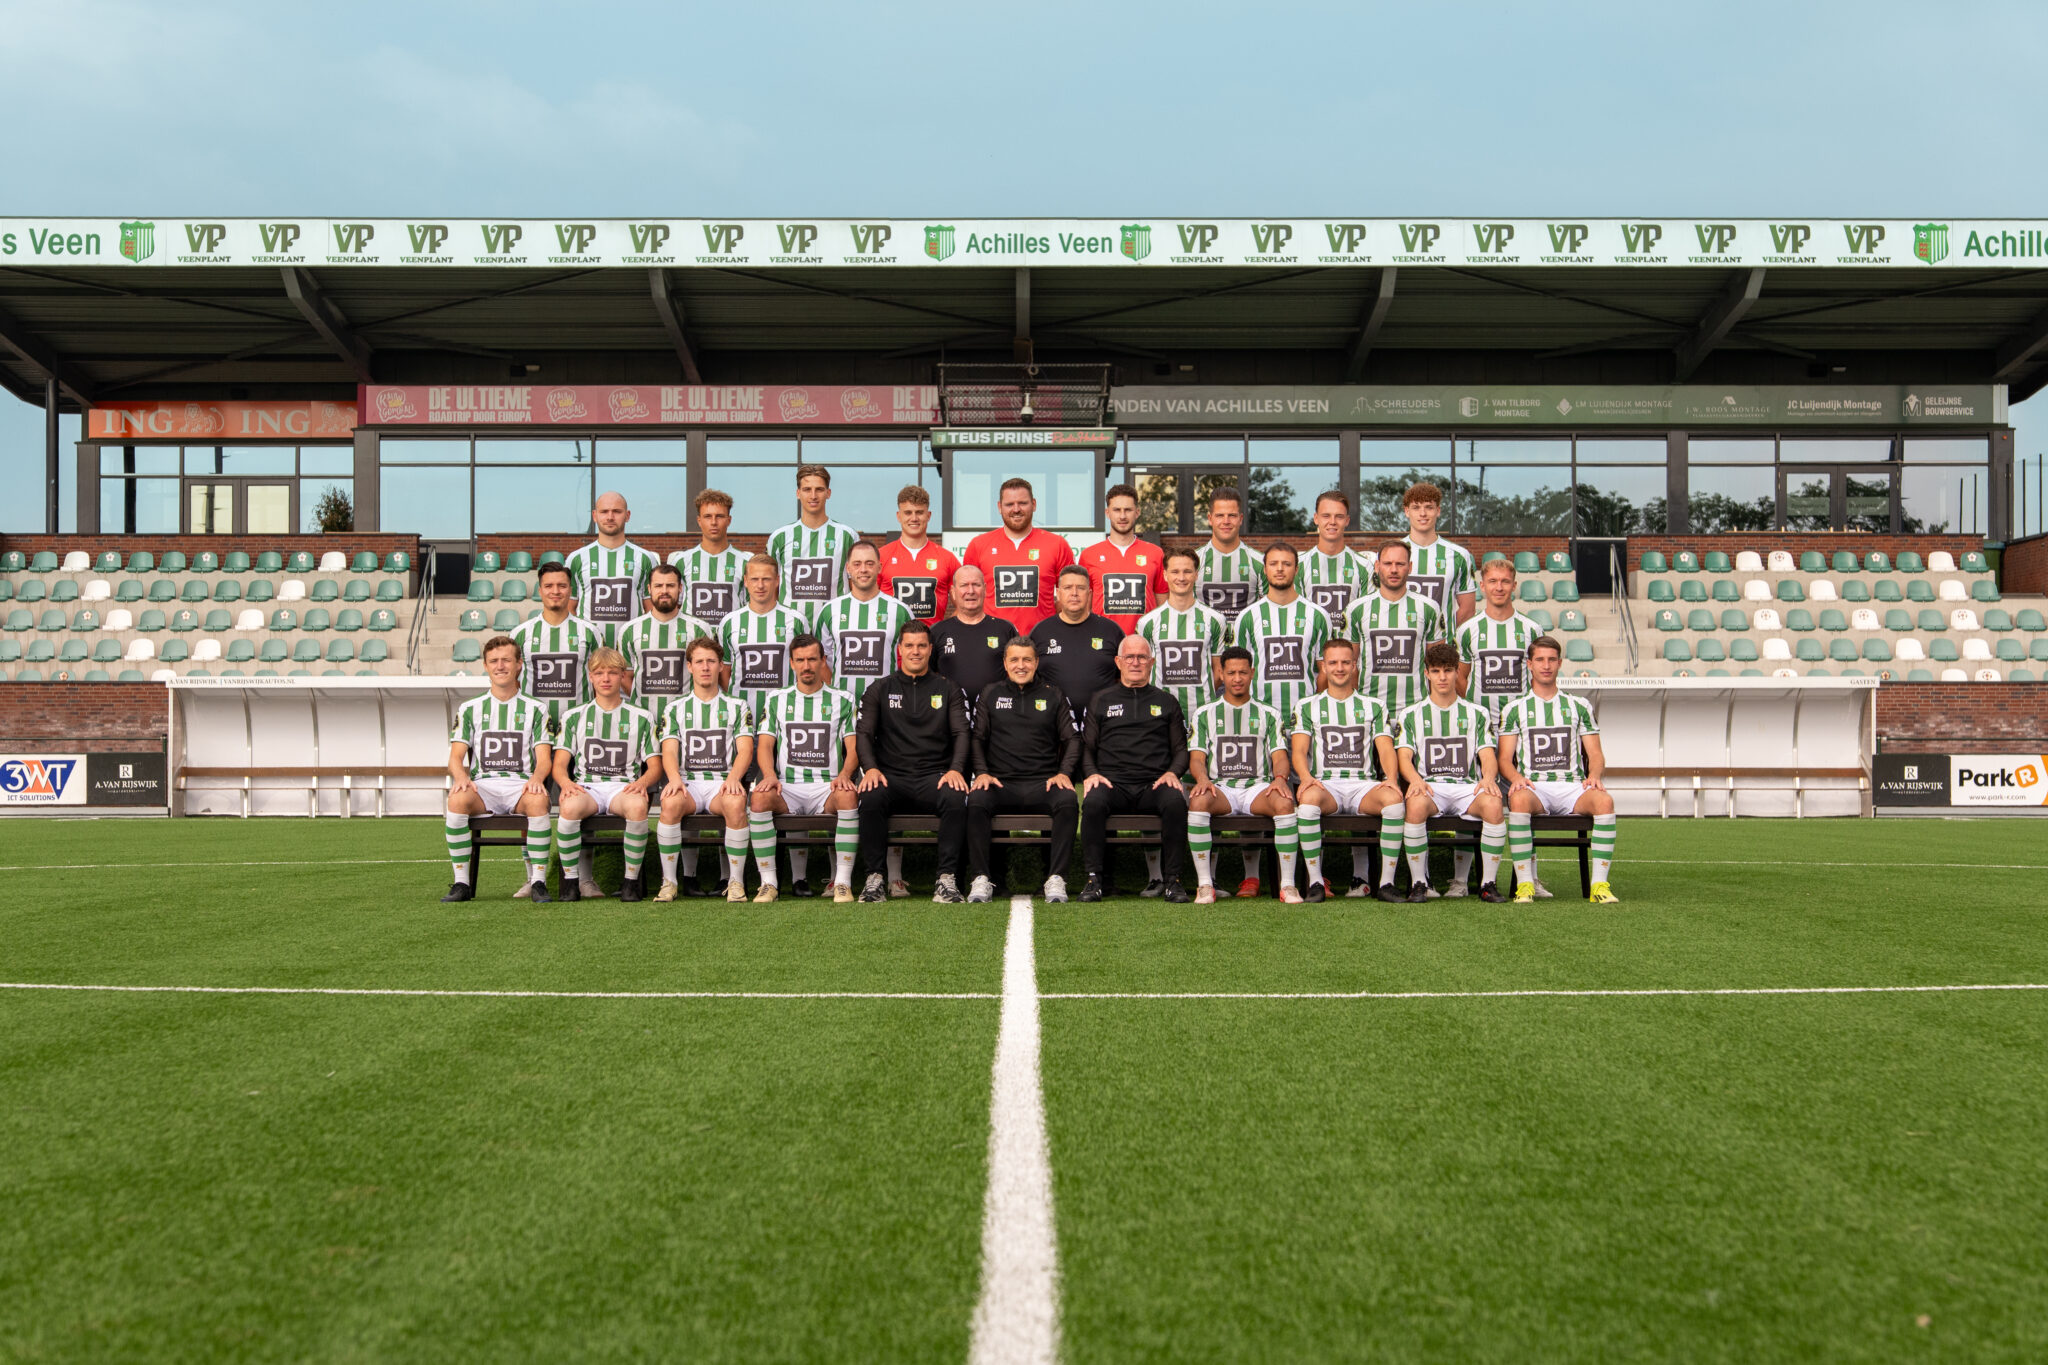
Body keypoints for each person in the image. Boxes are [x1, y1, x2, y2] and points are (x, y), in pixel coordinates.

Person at [854, 621, 971, 903]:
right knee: (870, 795)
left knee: (955, 796)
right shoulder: (879, 688)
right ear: (900, 649)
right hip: (891, 776)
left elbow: (961, 733)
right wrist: (871, 769)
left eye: (921, 646)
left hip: (934, 776)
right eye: (909, 645)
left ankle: (946, 879)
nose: (915, 651)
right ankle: (874, 879)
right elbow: (864, 733)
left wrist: (955, 770)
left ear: (930, 649)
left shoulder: (949, 689)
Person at [1498, 636, 1619, 904]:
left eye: (1552, 659)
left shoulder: (1579, 705)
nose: (1546, 665)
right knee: (1518, 799)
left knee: (1605, 801)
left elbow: (1595, 754)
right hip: (1535, 787)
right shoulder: (1515, 708)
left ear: (1560, 663)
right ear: (1529, 664)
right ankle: (1525, 885)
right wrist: (1517, 778)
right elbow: (1504, 759)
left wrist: (1594, 776)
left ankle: (1599, 886)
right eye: (1540, 659)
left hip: (1573, 787)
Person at [1451, 556, 1543, 896]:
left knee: (1523, 800)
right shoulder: (1468, 630)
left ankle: (1530, 878)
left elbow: (1537, 676)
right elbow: (1461, 677)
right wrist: (1475, 715)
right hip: (1481, 732)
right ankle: (1461, 880)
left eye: (1505, 581)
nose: (1499, 587)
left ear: (1514, 585)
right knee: (1470, 801)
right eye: (1493, 581)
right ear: (1482, 586)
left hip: (1520, 733)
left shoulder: (1531, 629)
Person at [965, 637, 1080, 904]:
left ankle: (1056, 878)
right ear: (1005, 663)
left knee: (1067, 799)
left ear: (1036, 662)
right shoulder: (990, 693)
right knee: (977, 800)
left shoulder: (1053, 694)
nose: (1021, 665)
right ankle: (981, 877)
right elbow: (977, 738)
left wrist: (1064, 773)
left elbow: (1073, 739)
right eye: (1014, 660)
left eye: (1027, 659)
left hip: (1043, 783)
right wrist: (981, 772)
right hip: (1001, 783)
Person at [1077, 636, 1192, 903]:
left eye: (1142, 657)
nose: (1135, 662)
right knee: (1092, 802)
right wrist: (1092, 774)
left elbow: (1180, 749)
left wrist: (1172, 772)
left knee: (1175, 802)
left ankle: (1173, 881)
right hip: (1113, 784)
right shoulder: (1100, 700)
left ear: (1151, 662)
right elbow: (1087, 747)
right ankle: (1094, 880)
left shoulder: (1167, 701)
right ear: (1118, 662)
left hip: (1154, 784)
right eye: (1129, 657)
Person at [1392, 641, 1507, 903]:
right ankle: (1420, 883)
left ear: (1457, 672)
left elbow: (1487, 755)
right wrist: (1415, 780)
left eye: (1447, 670)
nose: (1442, 677)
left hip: (1467, 787)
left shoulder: (1477, 713)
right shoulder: (1410, 714)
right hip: (1431, 787)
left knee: (1493, 804)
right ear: (1427, 673)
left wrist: (1488, 779)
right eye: (1436, 671)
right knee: (1415, 804)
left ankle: (1487, 884)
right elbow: (1404, 757)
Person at [1291, 638, 1404, 902]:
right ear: (1323, 666)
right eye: (1333, 663)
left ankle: (1386, 883)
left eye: (1345, 662)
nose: (1339, 668)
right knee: (1307, 801)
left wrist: (1391, 779)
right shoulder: (1307, 706)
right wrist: (1306, 778)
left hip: (1362, 785)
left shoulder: (1373, 705)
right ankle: (1315, 882)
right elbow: (1298, 751)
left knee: (1394, 801)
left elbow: (1386, 748)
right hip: (1326, 784)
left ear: (1355, 666)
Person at [440, 635, 552, 902]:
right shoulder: (470, 708)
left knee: (538, 800)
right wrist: (461, 777)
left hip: (520, 786)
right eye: (493, 661)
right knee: (457, 798)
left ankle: (538, 882)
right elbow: (455, 757)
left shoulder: (536, 709)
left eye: (506, 660)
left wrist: (537, 779)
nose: (500, 666)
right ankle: (461, 883)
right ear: (485, 666)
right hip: (484, 787)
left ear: (519, 664)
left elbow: (544, 759)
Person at [751, 634, 861, 903]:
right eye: (800, 660)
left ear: (824, 660)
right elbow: (765, 745)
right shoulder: (776, 699)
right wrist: (769, 775)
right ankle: (768, 883)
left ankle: (842, 883)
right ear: (791, 663)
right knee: (759, 798)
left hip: (827, 786)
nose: (806, 666)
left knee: (848, 795)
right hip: (788, 786)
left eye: (812, 659)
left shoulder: (843, 699)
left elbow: (854, 747)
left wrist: (845, 775)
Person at [1187, 646, 1299, 904]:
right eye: (1231, 673)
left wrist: (1280, 779)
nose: (1237, 678)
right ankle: (1205, 885)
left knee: (1284, 802)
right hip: (1221, 788)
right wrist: (1202, 779)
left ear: (1252, 673)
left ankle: (1288, 885)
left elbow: (1280, 757)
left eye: (1243, 672)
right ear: (1221, 674)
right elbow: (1197, 759)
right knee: (1199, 801)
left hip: (1256, 788)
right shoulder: (1204, 713)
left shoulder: (1269, 714)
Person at [551, 648, 661, 902]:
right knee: (569, 806)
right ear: (590, 677)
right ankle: (571, 882)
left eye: (612, 672)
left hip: (623, 787)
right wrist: (566, 783)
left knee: (637, 806)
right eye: (599, 673)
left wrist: (642, 783)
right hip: (587, 786)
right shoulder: (573, 716)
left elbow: (655, 766)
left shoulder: (642, 717)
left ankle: (630, 882)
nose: (606, 678)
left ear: (623, 675)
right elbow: (559, 765)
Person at [654, 637, 756, 903]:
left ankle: (735, 882)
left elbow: (745, 750)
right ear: (689, 666)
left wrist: (734, 778)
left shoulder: (737, 706)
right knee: (670, 802)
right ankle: (669, 882)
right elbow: (669, 750)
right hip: (688, 782)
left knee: (736, 803)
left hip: (721, 782)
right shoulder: (675, 708)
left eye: (711, 661)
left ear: (721, 666)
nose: (706, 667)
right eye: (699, 661)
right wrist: (674, 779)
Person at [1232, 543, 1331, 729]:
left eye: (1286, 564)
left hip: (1306, 721)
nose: (1279, 569)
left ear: (1296, 569)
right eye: (1273, 564)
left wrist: (1315, 710)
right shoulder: (1247, 616)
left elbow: (1325, 670)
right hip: (1259, 720)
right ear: (1265, 569)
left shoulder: (1318, 615)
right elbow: (1238, 671)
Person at [963, 477, 1075, 636]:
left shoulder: (1057, 545)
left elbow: (1070, 596)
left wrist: (1049, 620)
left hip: (1042, 640)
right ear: (999, 507)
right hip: (991, 640)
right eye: (1009, 504)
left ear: (1034, 504)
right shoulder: (978, 546)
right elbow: (967, 598)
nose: (1016, 509)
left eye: (1022, 503)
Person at [617, 562, 717, 734]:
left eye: (670, 585)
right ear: (649, 589)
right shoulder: (629, 630)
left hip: (686, 721)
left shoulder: (699, 628)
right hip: (643, 722)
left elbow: (708, 673)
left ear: (680, 588)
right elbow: (625, 676)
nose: (664, 591)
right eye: (658, 586)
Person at [1137, 548, 1230, 725]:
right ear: (1165, 575)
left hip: (1203, 716)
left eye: (1187, 571)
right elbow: (1143, 671)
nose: (1181, 577)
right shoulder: (1147, 622)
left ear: (1196, 575)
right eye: (1175, 572)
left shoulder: (1215, 619)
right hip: (1160, 715)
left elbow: (1218, 671)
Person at [816, 541, 915, 704]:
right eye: (857, 564)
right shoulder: (829, 610)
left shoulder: (900, 611)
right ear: (848, 568)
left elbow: (914, 659)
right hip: (841, 709)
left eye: (870, 564)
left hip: (885, 707)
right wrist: (835, 694)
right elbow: (819, 661)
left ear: (879, 567)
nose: (863, 569)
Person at [509, 562, 599, 735]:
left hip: (578, 729)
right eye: (548, 586)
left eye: (562, 586)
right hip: (534, 729)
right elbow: (512, 681)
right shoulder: (520, 633)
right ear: (540, 590)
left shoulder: (590, 632)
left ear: (570, 590)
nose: (555, 591)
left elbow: (600, 681)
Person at [564, 491, 662, 649]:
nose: (610, 517)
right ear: (595, 516)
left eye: (616, 511)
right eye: (604, 512)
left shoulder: (645, 558)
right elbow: (569, 608)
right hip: (590, 650)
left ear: (627, 515)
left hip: (631, 649)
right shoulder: (576, 559)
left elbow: (652, 609)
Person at [1030, 564, 1124, 727]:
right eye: (1067, 588)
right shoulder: (1040, 632)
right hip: (1053, 726)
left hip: (1104, 725)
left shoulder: (1111, 630)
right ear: (1058, 593)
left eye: (1080, 588)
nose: (1074, 593)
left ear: (1089, 594)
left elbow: (1123, 679)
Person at [718, 554, 811, 719]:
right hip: (741, 719)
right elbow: (724, 670)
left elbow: (806, 668)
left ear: (777, 581)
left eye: (766, 579)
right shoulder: (729, 622)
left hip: (784, 716)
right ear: (746, 581)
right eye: (754, 579)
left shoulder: (797, 620)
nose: (760, 585)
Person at [767, 463, 859, 627]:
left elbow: (856, 585)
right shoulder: (779, 537)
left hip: (835, 625)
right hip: (790, 627)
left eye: (819, 489)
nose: (813, 495)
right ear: (798, 493)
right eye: (807, 489)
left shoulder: (847, 536)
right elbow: (771, 586)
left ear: (828, 493)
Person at [1078, 483, 1168, 632]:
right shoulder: (1089, 556)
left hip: (1143, 640)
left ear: (1137, 512)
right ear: (1107, 513)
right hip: (1102, 639)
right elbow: (1084, 608)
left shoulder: (1155, 553)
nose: (1122, 516)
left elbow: (1163, 606)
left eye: (1128, 510)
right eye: (1117, 510)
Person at [877, 484, 958, 624]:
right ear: (899, 516)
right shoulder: (881, 556)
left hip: (932, 638)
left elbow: (965, 606)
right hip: (892, 638)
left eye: (919, 512)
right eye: (908, 513)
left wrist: (944, 630)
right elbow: (866, 601)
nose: (914, 518)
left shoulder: (947, 558)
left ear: (928, 515)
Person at [669, 488, 749, 626]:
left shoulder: (745, 562)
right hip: (693, 637)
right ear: (699, 520)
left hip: (731, 637)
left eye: (719, 516)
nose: (713, 522)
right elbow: (674, 605)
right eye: (707, 516)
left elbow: (751, 607)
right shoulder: (681, 561)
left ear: (729, 520)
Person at [1401, 481, 1477, 625]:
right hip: (1402, 638)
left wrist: (1443, 633)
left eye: (1429, 507)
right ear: (1407, 511)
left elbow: (1468, 610)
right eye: (1416, 507)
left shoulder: (1459, 555)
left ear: (1438, 510)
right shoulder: (1390, 553)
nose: (1423, 513)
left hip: (1443, 640)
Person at [1297, 490, 1376, 624]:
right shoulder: (1299, 565)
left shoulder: (1364, 566)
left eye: (1339, 516)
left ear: (1347, 520)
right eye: (1326, 516)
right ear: (1316, 519)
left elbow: (1367, 618)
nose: (1332, 522)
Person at [1195, 484, 1265, 626]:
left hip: (1245, 640)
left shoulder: (1259, 561)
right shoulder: (1194, 561)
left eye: (1232, 515)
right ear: (1210, 518)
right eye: (1220, 515)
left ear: (1240, 519)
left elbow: (1269, 610)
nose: (1226, 521)